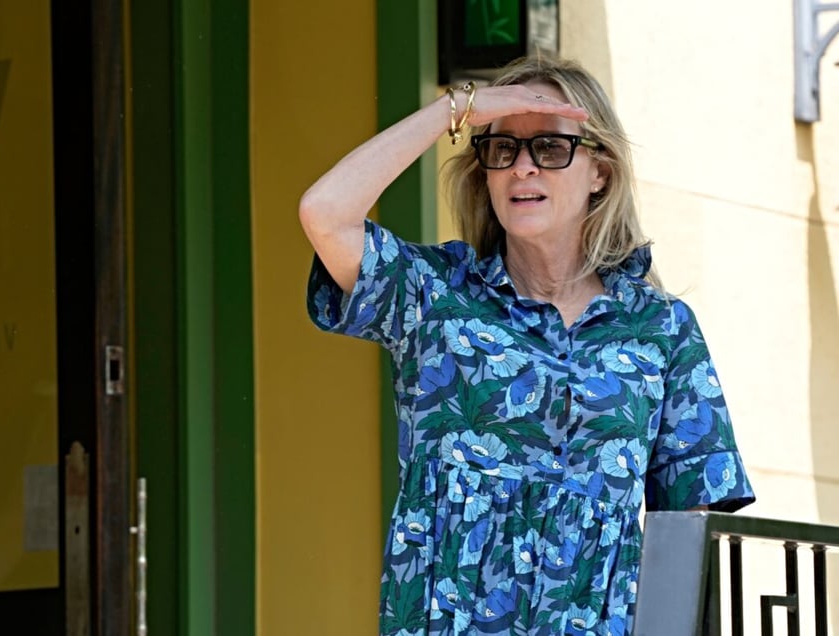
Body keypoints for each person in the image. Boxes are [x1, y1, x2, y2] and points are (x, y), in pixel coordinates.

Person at [299, 54, 755, 635]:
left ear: (601, 171)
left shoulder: (661, 328)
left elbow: (692, 533)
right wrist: (456, 111)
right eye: (503, 149)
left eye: (550, 148)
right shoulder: (435, 297)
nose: (522, 169)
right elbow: (324, 214)